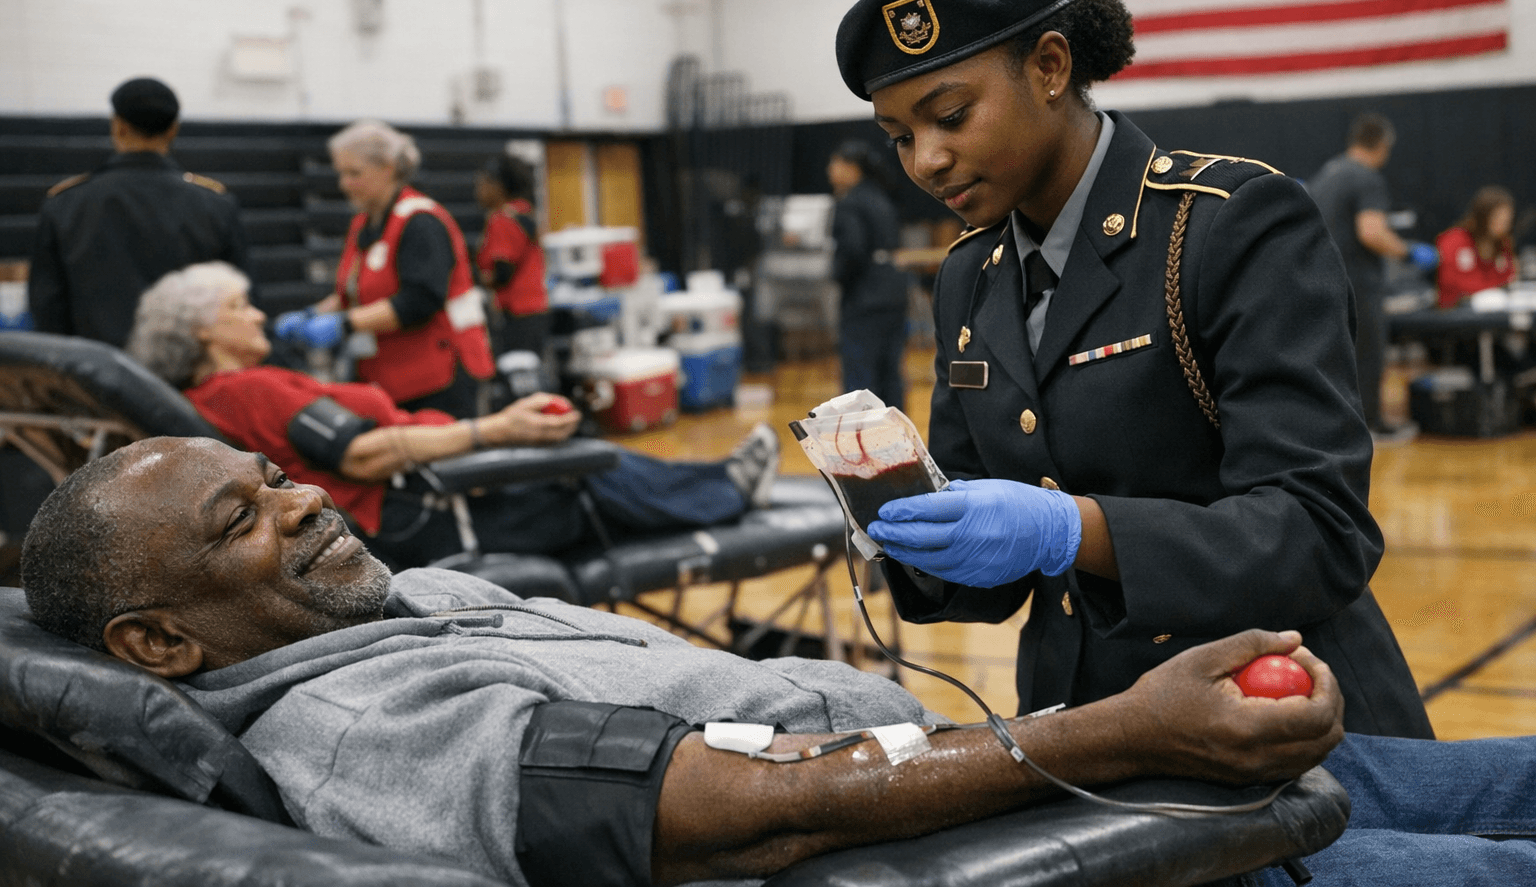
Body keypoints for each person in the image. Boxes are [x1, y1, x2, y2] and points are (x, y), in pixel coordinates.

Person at [19, 437, 1536, 887]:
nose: (301, 499)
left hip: (1071, 772)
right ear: (158, 640)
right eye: (242, 518)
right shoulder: (360, 724)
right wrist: (1108, 735)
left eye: (274, 477)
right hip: (1087, 832)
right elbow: (750, 808)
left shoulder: (408, 602)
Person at [832, 0, 1431, 738]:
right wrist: (901, 523)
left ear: (1050, 68)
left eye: (950, 115)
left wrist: (1070, 530)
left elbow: (1319, 535)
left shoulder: (1228, 226)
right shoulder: (967, 277)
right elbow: (991, 576)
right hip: (1087, 734)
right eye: (899, 137)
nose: (929, 160)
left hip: (1282, 724)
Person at [127, 262, 780, 571]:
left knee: (566, 450)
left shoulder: (206, 403)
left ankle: (715, 478)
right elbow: (361, 455)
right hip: (431, 517)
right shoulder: (246, 390)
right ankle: (725, 488)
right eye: (241, 307)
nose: (260, 315)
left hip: (409, 510)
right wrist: (499, 430)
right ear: (205, 332)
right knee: (582, 462)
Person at [273, 120, 495, 419]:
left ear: (388, 168)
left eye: (354, 173)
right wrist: (313, 314)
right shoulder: (363, 223)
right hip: (392, 375)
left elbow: (419, 301)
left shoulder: (421, 221)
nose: (343, 184)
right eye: (341, 173)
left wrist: (345, 324)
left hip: (439, 374)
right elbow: (354, 292)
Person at [27, 76, 248, 348]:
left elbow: (48, 311)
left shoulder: (65, 205)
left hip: (96, 377)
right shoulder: (215, 205)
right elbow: (241, 302)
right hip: (191, 380)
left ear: (117, 126)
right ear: (173, 130)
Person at [1308, 113, 1438, 436]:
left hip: (1322, 280)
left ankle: (1336, 427)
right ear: (1382, 145)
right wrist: (1409, 253)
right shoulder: (1366, 178)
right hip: (1359, 283)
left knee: (1336, 357)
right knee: (1368, 353)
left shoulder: (1327, 173)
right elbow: (1371, 232)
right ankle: (1371, 424)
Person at [828, 139, 911, 409]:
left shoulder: (850, 202)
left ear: (852, 168)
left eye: (836, 163)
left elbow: (852, 249)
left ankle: (864, 445)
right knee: (890, 373)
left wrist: (838, 276)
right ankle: (899, 442)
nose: (830, 169)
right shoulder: (880, 196)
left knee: (861, 379)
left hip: (864, 297)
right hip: (893, 292)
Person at [475, 153, 550, 357]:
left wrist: (476, 278)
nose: (478, 191)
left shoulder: (502, 220)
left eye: (483, 184)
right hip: (536, 310)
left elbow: (502, 274)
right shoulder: (525, 212)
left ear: (498, 187)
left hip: (516, 314)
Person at [1436, 186, 1517, 309]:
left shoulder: (1503, 243)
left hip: (1492, 312)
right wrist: (1490, 288)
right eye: (1497, 219)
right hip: (1455, 314)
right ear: (1482, 216)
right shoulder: (1453, 240)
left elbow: (1508, 277)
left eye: (1506, 221)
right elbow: (1450, 283)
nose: (1503, 226)